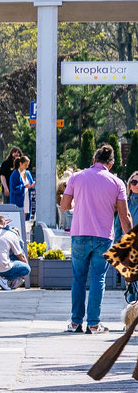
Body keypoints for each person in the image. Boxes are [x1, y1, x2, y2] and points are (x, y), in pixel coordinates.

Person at [62, 143, 133, 334]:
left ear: (94, 160)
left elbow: (64, 205)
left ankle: (75, 322)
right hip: (103, 237)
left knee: (78, 278)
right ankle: (93, 324)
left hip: (79, 234)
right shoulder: (117, 182)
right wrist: (130, 239)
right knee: (98, 278)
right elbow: (124, 215)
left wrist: (78, 203)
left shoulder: (76, 177)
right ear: (110, 164)